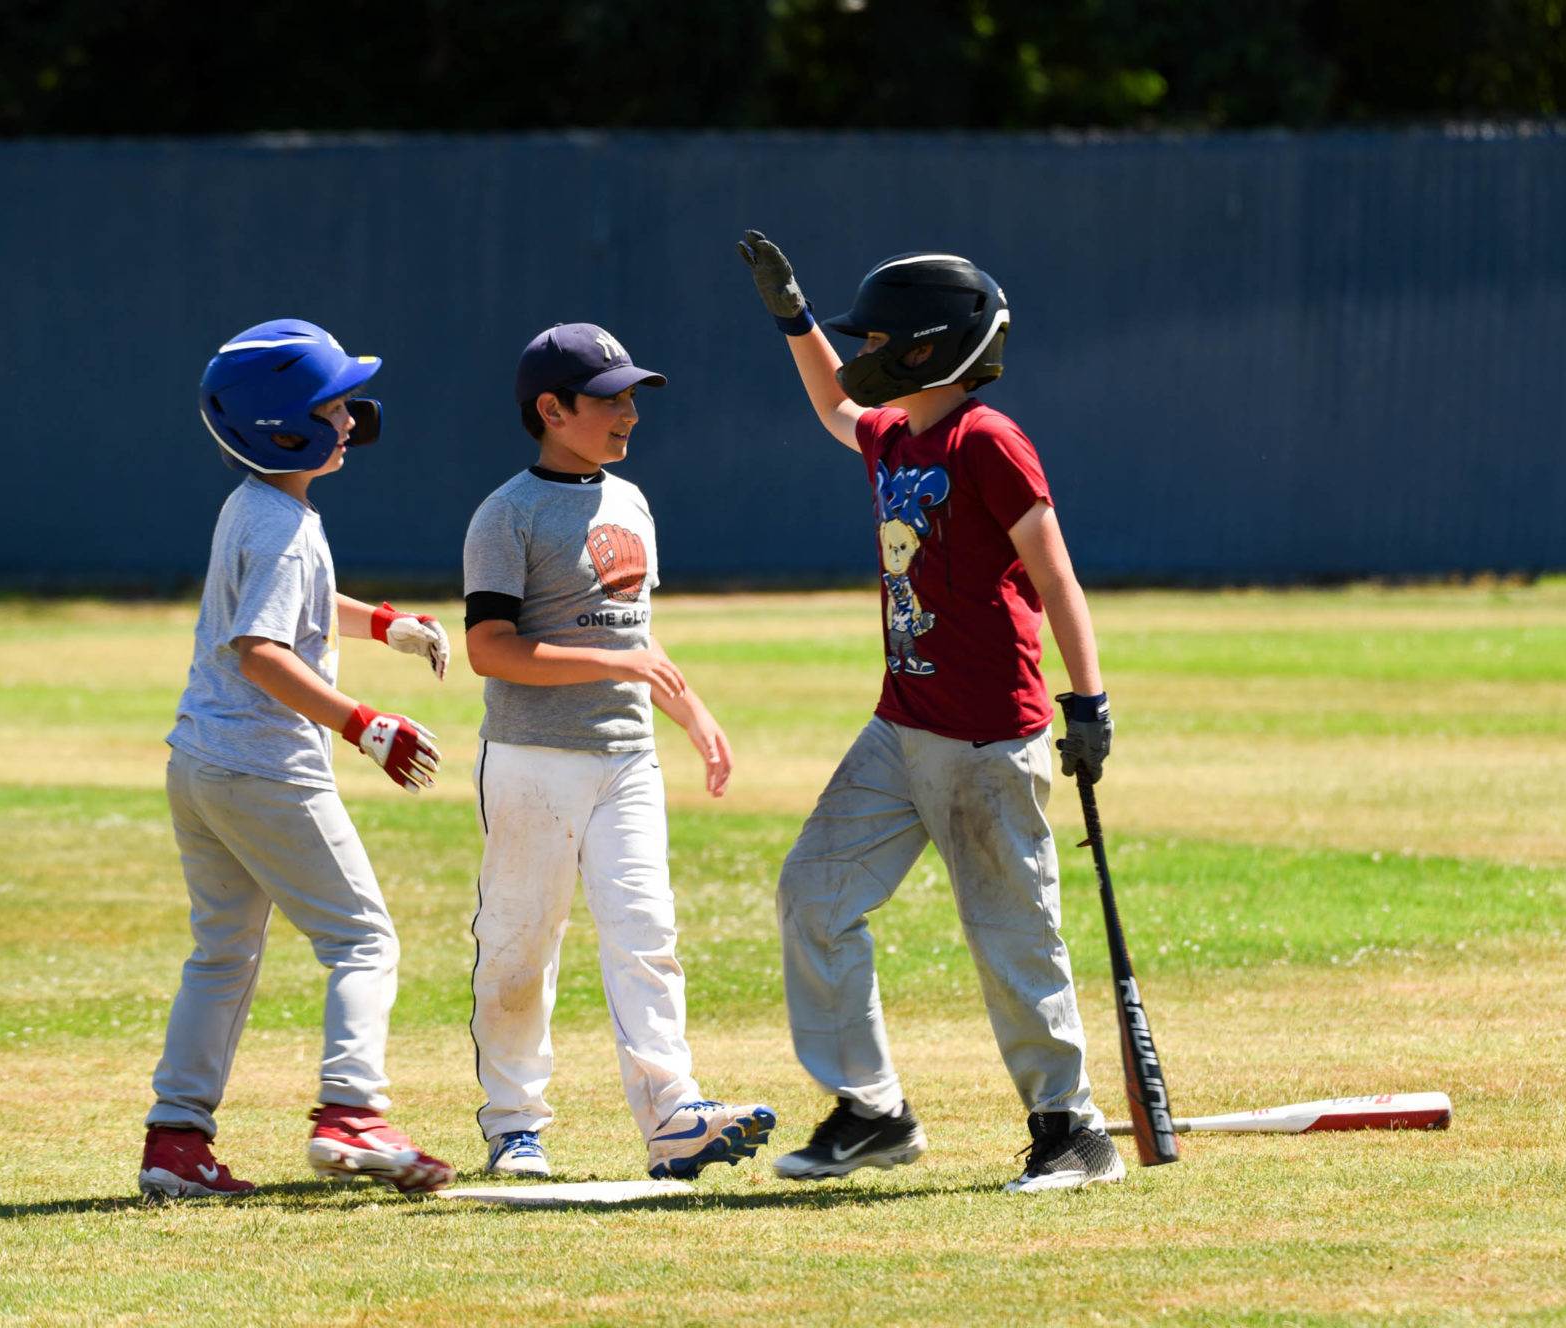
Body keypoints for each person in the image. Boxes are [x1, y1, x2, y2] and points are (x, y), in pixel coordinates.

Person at [735, 233, 1124, 1193]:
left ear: (926, 349)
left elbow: (1056, 573)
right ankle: (873, 1112)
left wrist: (1090, 700)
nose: (863, 351)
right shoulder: (895, 435)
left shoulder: (985, 439)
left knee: (1012, 934)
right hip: (900, 726)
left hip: (991, 737)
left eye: (879, 338)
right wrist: (794, 317)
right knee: (814, 897)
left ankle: (1072, 1131)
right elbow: (836, 401)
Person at [139, 318, 456, 1199]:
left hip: (199, 764)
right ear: (285, 425)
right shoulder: (280, 523)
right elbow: (261, 649)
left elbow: (300, 608)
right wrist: (363, 723)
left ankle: (176, 1143)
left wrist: (384, 624)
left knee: (223, 955)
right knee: (363, 938)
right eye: (335, 403)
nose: (353, 416)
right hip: (262, 767)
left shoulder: (261, 507)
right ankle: (352, 1115)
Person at [459, 322, 775, 1181]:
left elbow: (637, 631)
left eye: (632, 395)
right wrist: (617, 662)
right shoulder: (506, 514)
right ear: (552, 410)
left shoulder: (630, 501)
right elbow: (490, 647)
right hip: (533, 758)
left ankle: (675, 1116)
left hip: (627, 756)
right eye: (610, 399)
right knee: (523, 944)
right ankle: (514, 1123)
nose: (629, 412)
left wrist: (692, 710)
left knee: (646, 934)